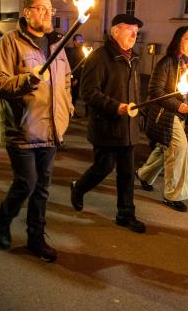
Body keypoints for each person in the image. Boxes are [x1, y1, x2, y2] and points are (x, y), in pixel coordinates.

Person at [0, 0, 73, 262]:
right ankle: (5, 217)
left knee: (42, 188)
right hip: (23, 129)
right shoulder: (10, 43)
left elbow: (67, 82)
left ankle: (36, 238)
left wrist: (67, 110)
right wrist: (27, 81)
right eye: (41, 8)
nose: (48, 13)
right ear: (27, 12)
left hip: (51, 130)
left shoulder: (57, 44)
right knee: (26, 183)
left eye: (50, 9)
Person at [70, 14, 146, 233]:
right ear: (115, 32)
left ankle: (126, 214)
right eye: (129, 30)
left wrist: (140, 113)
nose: (134, 35)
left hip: (128, 127)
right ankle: (78, 188)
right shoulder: (100, 57)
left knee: (127, 172)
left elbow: (134, 91)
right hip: (107, 125)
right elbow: (88, 92)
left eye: (136, 31)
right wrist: (115, 106)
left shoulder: (133, 57)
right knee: (104, 167)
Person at [136, 26, 188, 212]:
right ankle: (173, 194)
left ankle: (143, 175)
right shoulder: (167, 62)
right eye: (187, 38)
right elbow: (155, 91)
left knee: (166, 148)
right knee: (180, 148)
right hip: (165, 114)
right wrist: (178, 105)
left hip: (182, 115)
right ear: (178, 40)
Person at [65, 34, 85, 114]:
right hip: (75, 78)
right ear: (74, 42)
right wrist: (73, 78)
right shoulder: (73, 52)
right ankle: (70, 111)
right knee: (73, 95)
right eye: (79, 40)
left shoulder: (82, 51)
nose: (81, 41)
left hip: (80, 77)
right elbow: (71, 66)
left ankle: (73, 110)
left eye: (82, 39)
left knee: (76, 95)